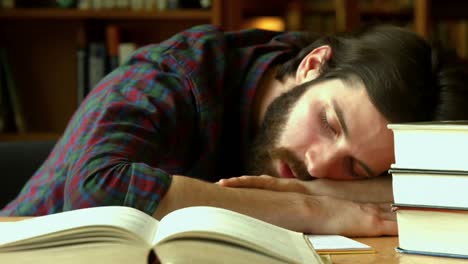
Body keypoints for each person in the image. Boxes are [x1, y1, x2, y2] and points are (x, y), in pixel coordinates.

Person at [2, 24, 467, 237]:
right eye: (327, 123)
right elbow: (97, 193)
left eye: (355, 167)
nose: (317, 164)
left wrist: (340, 191)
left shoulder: (329, 84)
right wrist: (313, 207)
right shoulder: (171, 77)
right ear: (311, 65)